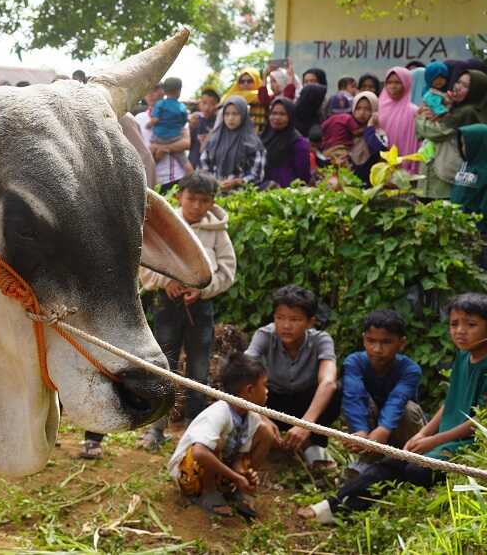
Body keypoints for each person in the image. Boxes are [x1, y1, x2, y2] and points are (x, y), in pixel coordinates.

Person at [302, 293, 487, 523]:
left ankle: (338, 510)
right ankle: (332, 507)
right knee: (391, 464)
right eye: (454, 324)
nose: (460, 331)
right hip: (445, 442)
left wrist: (433, 441)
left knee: (413, 469)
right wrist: (423, 434)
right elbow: (450, 402)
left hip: (467, 448)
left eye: (471, 325)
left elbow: (480, 424)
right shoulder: (464, 355)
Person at [137, 171, 237, 449]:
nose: (196, 205)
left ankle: (196, 429)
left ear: (212, 202)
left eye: (204, 200)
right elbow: (145, 261)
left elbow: (227, 270)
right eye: (191, 198)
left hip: (200, 307)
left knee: (199, 368)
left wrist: (203, 289)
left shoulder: (217, 232)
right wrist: (165, 282)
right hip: (166, 305)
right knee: (162, 364)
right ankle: (156, 428)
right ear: (180, 196)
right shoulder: (167, 223)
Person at [167, 353, 275, 518]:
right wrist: (236, 477)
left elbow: (239, 456)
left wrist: (243, 473)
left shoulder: (251, 417)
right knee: (213, 443)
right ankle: (209, 492)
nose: (267, 391)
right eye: (264, 385)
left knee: (266, 431)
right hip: (188, 475)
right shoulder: (219, 412)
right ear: (249, 390)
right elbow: (199, 452)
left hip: (220, 471)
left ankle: (238, 490)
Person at [245, 285, 340, 471]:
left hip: (306, 405)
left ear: (310, 322)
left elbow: (328, 382)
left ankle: (314, 445)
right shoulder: (265, 335)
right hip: (272, 402)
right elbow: (243, 369)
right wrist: (262, 416)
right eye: (280, 318)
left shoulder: (321, 340)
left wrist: (305, 425)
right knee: (247, 385)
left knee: (335, 390)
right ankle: (265, 438)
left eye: (295, 319)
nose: (286, 326)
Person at [341, 310, 424, 477]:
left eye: (386, 342)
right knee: (351, 401)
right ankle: (368, 459)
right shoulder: (354, 362)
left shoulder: (410, 369)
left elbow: (397, 400)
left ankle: (410, 461)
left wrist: (383, 429)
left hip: (402, 432)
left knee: (408, 409)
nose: (377, 349)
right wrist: (360, 431)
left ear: (401, 343)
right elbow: (354, 396)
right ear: (364, 339)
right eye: (371, 341)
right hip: (370, 430)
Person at [417, 69, 487, 200]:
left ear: (475, 91)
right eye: (458, 82)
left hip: (445, 178)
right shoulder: (457, 109)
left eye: (465, 86)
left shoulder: (467, 112)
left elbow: (433, 132)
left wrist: (420, 116)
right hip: (438, 174)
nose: (457, 87)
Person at [199, 97, 266, 192]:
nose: (230, 118)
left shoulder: (253, 143)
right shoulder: (214, 139)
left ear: (243, 115)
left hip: (240, 196)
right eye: (227, 114)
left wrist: (236, 182)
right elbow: (203, 164)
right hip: (214, 193)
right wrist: (214, 181)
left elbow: (256, 175)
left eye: (235, 114)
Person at [451, 123, 487, 233]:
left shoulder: (486, 171)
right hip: (456, 224)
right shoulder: (465, 166)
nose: (462, 148)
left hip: (474, 230)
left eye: (465, 144)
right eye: (461, 144)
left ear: (476, 145)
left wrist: (479, 228)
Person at [134, 106, 194, 192]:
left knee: (187, 166)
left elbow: (186, 143)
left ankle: (193, 183)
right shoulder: (139, 118)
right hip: (149, 180)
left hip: (174, 178)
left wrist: (164, 147)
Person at [377, 67, 420, 174]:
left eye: (397, 82)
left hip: (404, 168)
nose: (393, 86)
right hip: (380, 165)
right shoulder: (378, 107)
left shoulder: (413, 111)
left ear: (406, 84)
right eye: (389, 82)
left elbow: (415, 143)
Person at [260, 97, 312, 188]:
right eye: (274, 113)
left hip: (287, 192)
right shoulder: (263, 137)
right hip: (261, 190)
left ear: (291, 116)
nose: (277, 118)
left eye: (282, 114)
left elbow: (303, 177)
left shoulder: (298, 143)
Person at [148, 77, 192, 173]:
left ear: (163, 91)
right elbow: (184, 122)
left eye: (155, 90)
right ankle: (192, 175)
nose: (151, 94)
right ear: (179, 91)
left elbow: (155, 119)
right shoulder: (182, 107)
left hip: (158, 139)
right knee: (185, 162)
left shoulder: (160, 104)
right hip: (175, 138)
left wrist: (149, 125)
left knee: (149, 153)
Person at [256, 62, 297, 134]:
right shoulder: (273, 98)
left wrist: (290, 77)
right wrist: (265, 76)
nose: (271, 85)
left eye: (274, 81)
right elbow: (263, 100)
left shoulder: (290, 96)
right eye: (270, 82)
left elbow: (288, 96)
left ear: (281, 81)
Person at [188, 88, 220, 169]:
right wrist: (190, 127)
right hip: (192, 165)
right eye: (204, 103)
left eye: (212, 104)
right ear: (199, 103)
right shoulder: (195, 120)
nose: (207, 108)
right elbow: (187, 144)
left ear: (217, 106)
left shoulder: (219, 123)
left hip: (210, 167)